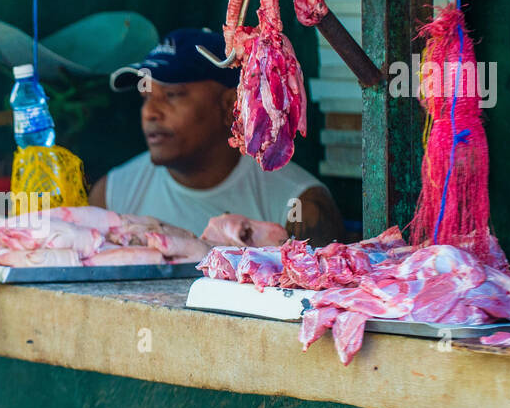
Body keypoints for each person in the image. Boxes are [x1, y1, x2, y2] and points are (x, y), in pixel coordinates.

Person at [89, 27, 345, 245]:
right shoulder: (112, 195)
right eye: (146, 97)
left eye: (172, 95)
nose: (150, 113)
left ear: (229, 105)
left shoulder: (299, 205)